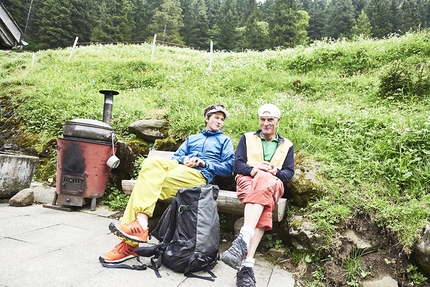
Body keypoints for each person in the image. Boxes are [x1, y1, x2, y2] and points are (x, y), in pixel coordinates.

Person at [99, 104, 235, 264]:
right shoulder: (193, 139)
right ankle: (140, 223)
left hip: (199, 175)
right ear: (207, 118)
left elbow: (228, 167)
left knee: (144, 183)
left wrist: (204, 163)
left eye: (222, 119)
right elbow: (177, 156)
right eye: (216, 118)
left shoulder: (224, 141)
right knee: (152, 162)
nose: (219, 122)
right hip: (179, 169)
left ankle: (129, 244)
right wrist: (183, 159)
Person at [221, 104, 294, 287]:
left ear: (278, 121)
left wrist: (273, 170)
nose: (266, 123)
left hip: (273, 183)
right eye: (263, 119)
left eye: (270, 119)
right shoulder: (247, 138)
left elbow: (288, 174)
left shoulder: (287, 145)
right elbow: (237, 165)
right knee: (264, 206)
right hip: (248, 180)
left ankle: (242, 240)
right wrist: (254, 169)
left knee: (266, 180)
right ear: (259, 120)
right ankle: (247, 265)